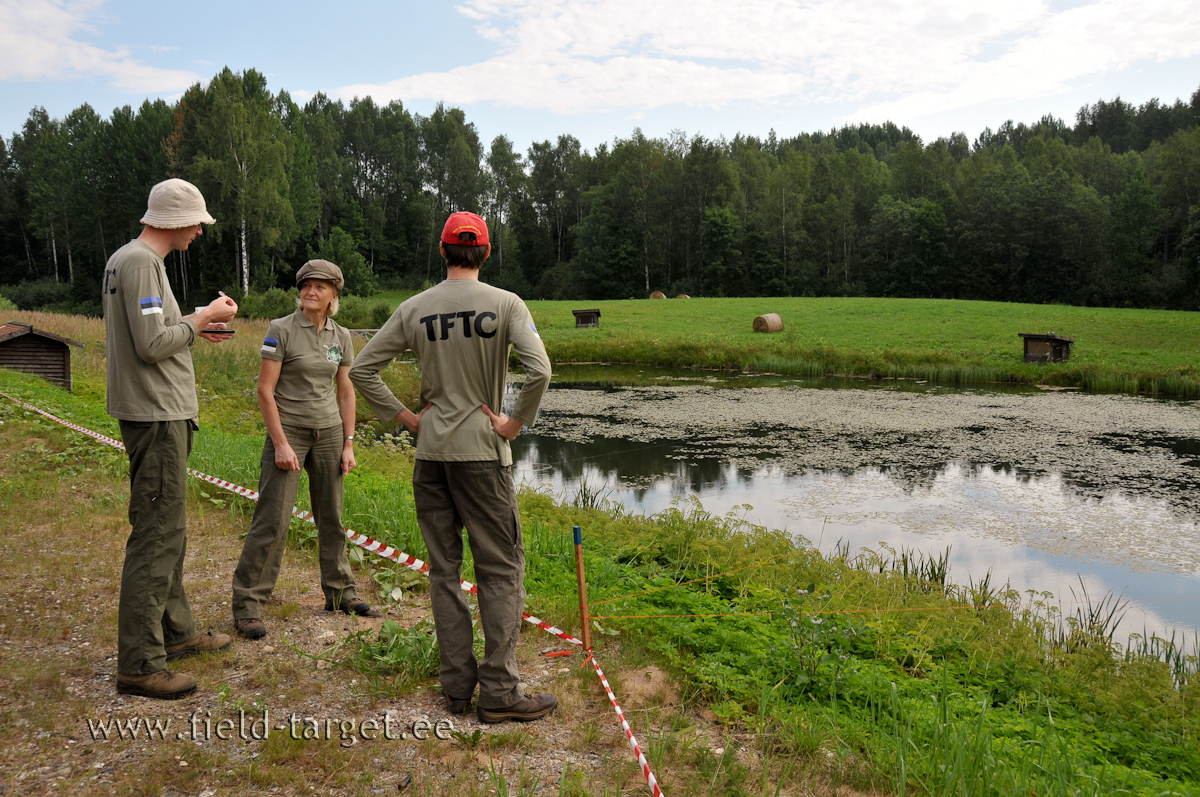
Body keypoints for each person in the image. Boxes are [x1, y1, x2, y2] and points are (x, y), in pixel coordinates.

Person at [349, 211, 555, 723]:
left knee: (444, 571)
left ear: (442, 252)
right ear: (485, 253)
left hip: (432, 454)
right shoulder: (506, 304)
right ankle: (502, 694)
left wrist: (405, 418)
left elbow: (360, 369)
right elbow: (540, 370)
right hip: (484, 455)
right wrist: (514, 423)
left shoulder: (415, 308)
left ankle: (458, 688)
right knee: (501, 570)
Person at [104, 177, 239, 700]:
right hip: (156, 415)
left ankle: (175, 632)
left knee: (169, 528)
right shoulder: (140, 262)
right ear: (175, 220)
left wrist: (191, 322)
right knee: (157, 535)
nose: (200, 233)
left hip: (158, 413)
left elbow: (156, 329)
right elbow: (153, 343)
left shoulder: (131, 259)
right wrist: (203, 317)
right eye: (198, 224)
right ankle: (140, 662)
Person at [231, 260, 380, 639]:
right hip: (290, 431)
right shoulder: (280, 329)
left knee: (331, 516)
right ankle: (248, 605)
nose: (310, 292)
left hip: (330, 432)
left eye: (320, 287)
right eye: (306, 286)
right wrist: (280, 443)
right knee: (273, 519)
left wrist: (348, 443)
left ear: (334, 294)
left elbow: (346, 392)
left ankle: (341, 593)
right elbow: (265, 391)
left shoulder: (341, 336)